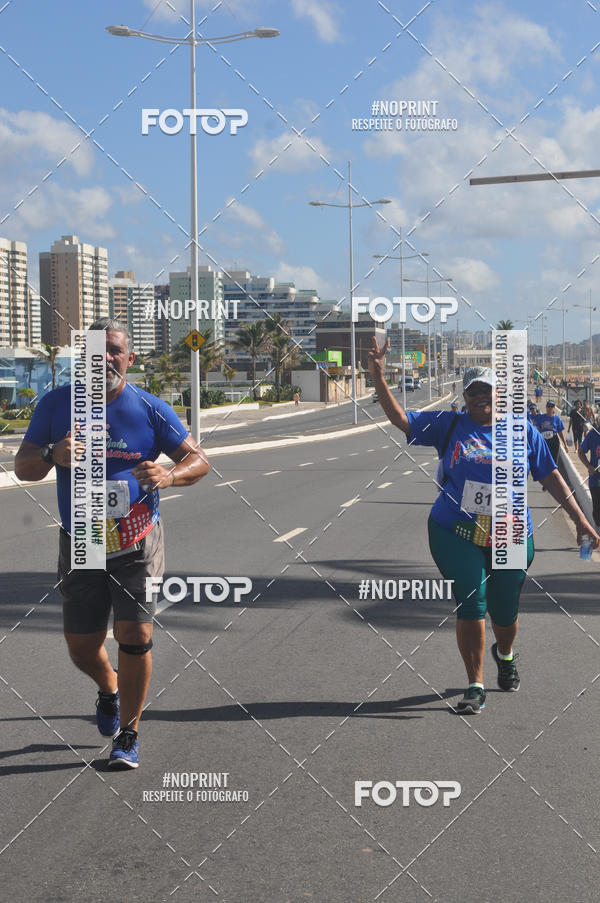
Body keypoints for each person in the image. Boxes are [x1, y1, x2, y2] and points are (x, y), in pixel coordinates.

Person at [15, 318, 211, 769]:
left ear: (128, 358)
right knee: (81, 646)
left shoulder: (149, 407)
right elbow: (23, 466)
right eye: (92, 352)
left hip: (138, 539)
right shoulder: (55, 405)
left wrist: (171, 474)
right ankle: (110, 688)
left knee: (134, 635)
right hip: (82, 541)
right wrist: (50, 455)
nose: (103, 359)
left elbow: (198, 460)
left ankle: (128, 733)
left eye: (113, 350)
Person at [368, 338, 599, 714]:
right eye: (473, 391)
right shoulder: (448, 425)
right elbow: (401, 420)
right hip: (455, 531)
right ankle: (474, 685)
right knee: (471, 602)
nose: (481, 397)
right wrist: (378, 376)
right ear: (464, 397)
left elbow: (552, 477)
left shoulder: (522, 431)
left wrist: (581, 520)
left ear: (499, 395)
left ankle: (504, 654)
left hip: (508, 533)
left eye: (487, 390)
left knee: (505, 612)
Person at [578, 425, 600, 528]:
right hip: (596, 480)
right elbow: (581, 452)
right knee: (597, 508)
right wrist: (588, 466)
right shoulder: (593, 434)